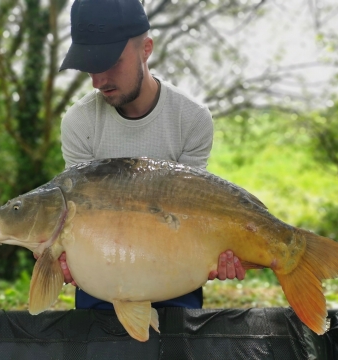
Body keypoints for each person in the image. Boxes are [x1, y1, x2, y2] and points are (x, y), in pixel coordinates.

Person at [57, 0, 245, 310]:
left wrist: (217, 252)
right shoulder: (79, 122)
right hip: (102, 274)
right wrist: (66, 256)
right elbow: (80, 216)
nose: (98, 80)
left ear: (146, 49)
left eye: (111, 62)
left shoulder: (192, 118)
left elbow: (189, 218)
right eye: (91, 65)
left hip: (173, 270)